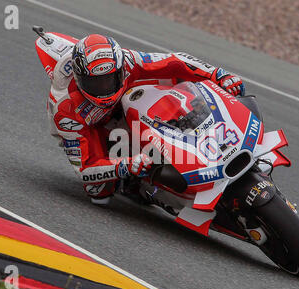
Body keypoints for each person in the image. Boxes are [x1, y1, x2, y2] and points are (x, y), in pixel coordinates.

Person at [47, 34, 245, 204]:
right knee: (99, 193)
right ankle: (137, 186)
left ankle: (202, 131)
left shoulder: (128, 61)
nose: (104, 88)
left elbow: (174, 61)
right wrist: (123, 166)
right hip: (92, 127)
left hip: (128, 100)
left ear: (120, 70)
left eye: (109, 79)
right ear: (79, 78)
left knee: (176, 82)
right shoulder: (65, 108)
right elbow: (84, 169)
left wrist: (217, 74)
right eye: (95, 83)